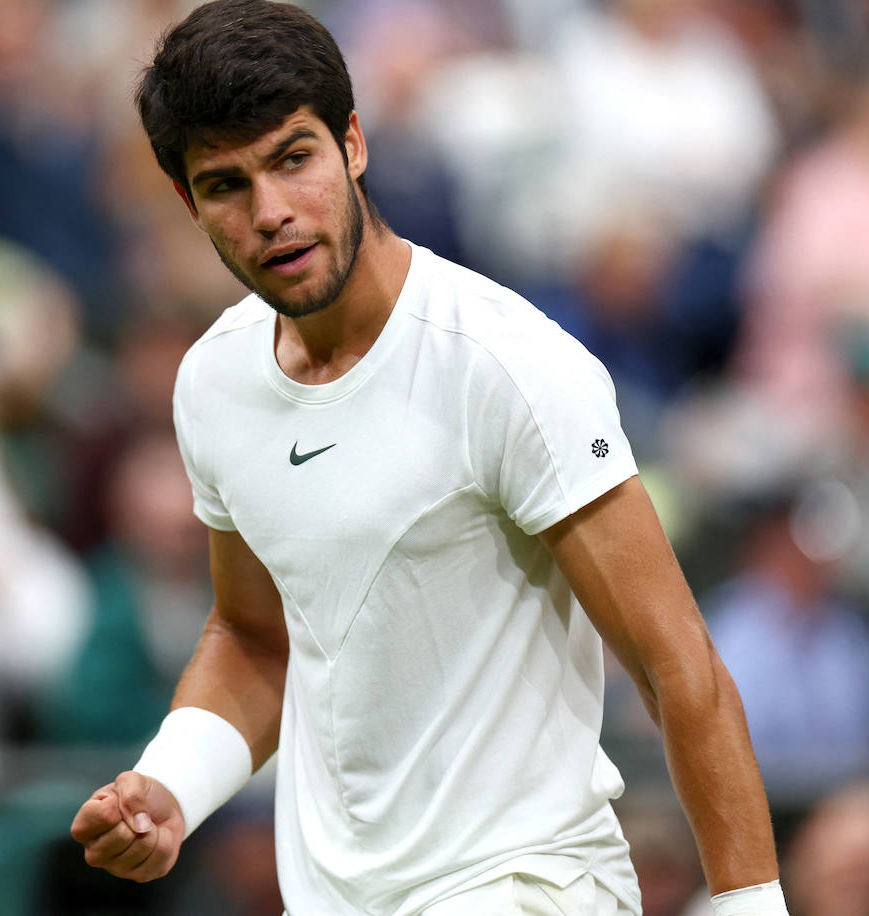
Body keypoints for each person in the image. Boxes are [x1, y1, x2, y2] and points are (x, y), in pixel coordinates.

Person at [71, 2, 785, 913]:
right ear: (188, 203)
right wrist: (171, 784)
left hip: (529, 886)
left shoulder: (510, 365)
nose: (273, 213)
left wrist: (750, 902)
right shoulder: (212, 381)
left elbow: (673, 664)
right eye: (226, 184)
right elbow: (256, 638)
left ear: (355, 144)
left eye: (295, 158)